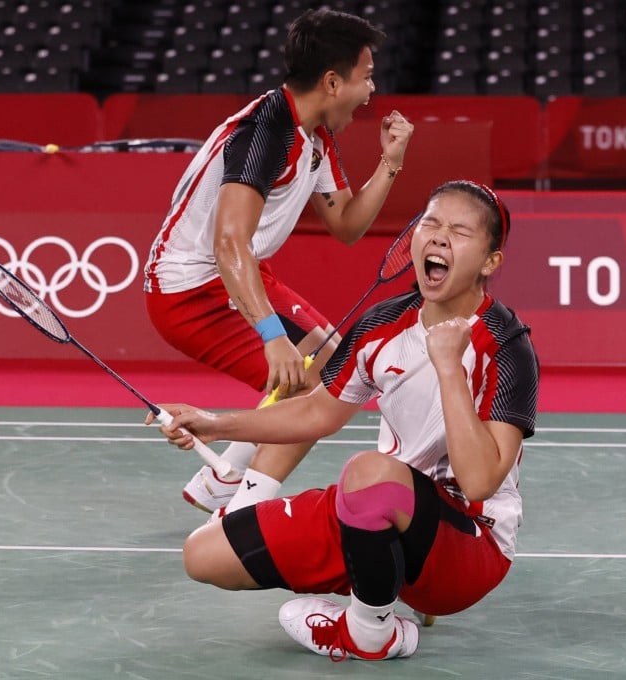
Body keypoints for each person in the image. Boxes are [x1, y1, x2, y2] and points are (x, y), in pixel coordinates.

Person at [151, 180, 539, 661]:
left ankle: (370, 633)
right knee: (203, 555)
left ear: (489, 261)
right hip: (384, 509)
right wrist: (214, 424)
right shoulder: (383, 324)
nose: (438, 238)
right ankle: (384, 577)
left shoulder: (507, 344)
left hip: (468, 547)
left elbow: (480, 479)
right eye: (431, 223)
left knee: (368, 471)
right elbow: (319, 410)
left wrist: (447, 367)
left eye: (459, 231)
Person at [143, 8, 415, 516]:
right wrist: (272, 336)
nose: (372, 90)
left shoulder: (314, 135)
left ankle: (221, 485)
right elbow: (229, 242)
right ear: (333, 82)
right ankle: (242, 512)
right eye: (367, 76)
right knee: (321, 389)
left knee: (336, 363)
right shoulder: (267, 132)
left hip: (240, 273)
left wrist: (391, 162)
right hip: (190, 290)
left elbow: (348, 225)